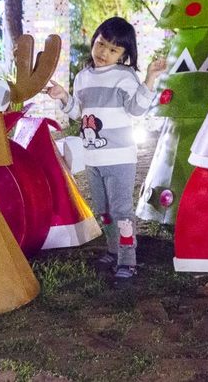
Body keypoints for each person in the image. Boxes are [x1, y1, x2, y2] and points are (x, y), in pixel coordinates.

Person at [48, 17, 166, 282]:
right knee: (102, 209)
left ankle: (128, 260)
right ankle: (113, 250)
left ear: (124, 54)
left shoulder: (124, 77)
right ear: (94, 41)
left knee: (121, 210)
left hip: (120, 158)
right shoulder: (82, 78)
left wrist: (149, 79)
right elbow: (79, 113)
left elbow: (136, 109)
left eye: (113, 50)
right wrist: (63, 97)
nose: (104, 52)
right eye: (101, 44)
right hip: (93, 158)